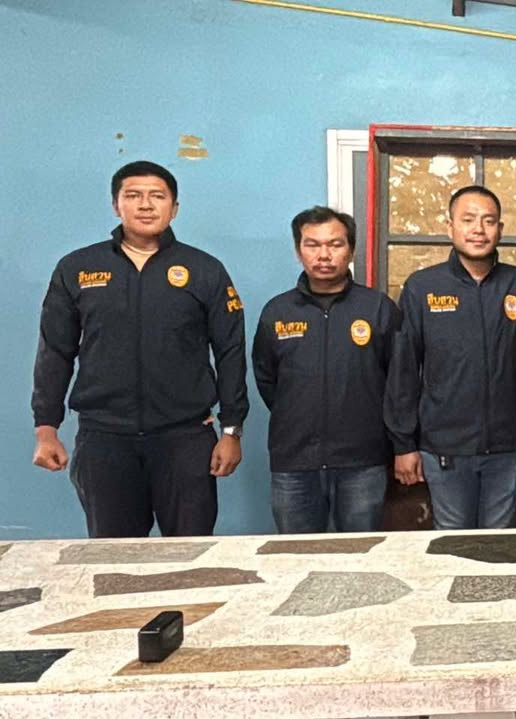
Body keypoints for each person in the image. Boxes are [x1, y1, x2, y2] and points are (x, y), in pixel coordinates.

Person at [31, 161, 248, 538]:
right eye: (133, 195)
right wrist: (46, 428)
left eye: (157, 196)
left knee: (190, 552)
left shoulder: (204, 270)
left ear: (174, 208)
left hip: (185, 438)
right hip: (104, 439)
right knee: (115, 556)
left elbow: (230, 351)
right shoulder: (78, 268)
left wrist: (232, 430)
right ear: (116, 205)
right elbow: (55, 351)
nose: (146, 205)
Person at [385, 186, 516, 530]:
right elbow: (403, 370)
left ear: (500, 229)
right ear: (450, 227)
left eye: (488, 221)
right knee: (451, 542)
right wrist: (403, 443)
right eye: (468, 220)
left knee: (503, 544)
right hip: (444, 447)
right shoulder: (422, 287)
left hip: (511, 445)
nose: (479, 229)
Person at [252, 207, 400, 533]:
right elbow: (268, 380)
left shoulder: (377, 308)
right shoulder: (278, 312)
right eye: (313, 244)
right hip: (294, 462)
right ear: (298, 250)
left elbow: (397, 382)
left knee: (361, 555)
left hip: (362, 461)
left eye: (335, 244)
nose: (324, 255)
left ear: (351, 250)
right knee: (297, 556)